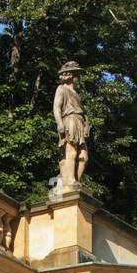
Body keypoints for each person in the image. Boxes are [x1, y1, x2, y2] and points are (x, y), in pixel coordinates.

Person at [53, 61, 90, 190]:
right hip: (69, 121)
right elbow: (57, 108)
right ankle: (70, 181)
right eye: (77, 74)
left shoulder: (76, 94)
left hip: (79, 122)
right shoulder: (62, 89)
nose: (78, 78)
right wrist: (59, 123)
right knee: (71, 152)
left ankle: (76, 182)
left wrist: (86, 124)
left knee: (83, 157)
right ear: (70, 75)